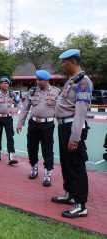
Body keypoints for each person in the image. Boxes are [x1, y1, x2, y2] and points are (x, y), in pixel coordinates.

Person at [51, 49, 92, 218]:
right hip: (63, 126)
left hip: (72, 128)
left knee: (76, 166)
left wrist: (75, 137)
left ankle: (81, 205)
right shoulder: (71, 81)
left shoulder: (83, 82)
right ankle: (70, 194)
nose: (63, 65)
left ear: (73, 62)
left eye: (65, 62)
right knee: (67, 165)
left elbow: (80, 112)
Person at [16, 70, 60, 186]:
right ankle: (34, 167)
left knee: (47, 150)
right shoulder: (32, 91)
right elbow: (25, 108)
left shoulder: (56, 92)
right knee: (31, 147)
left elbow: (60, 109)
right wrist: (20, 123)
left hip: (48, 125)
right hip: (33, 123)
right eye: (37, 79)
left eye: (39, 80)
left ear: (46, 81)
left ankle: (47, 173)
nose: (37, 81)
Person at [0, 77, 20, 165]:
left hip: (8, 118)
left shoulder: (12, 95)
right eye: (4, 83)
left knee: (10, 137)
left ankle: (11, 157)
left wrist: (16, 109)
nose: (6, 85)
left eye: (7, 84)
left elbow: (19, 102)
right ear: (0, 84)